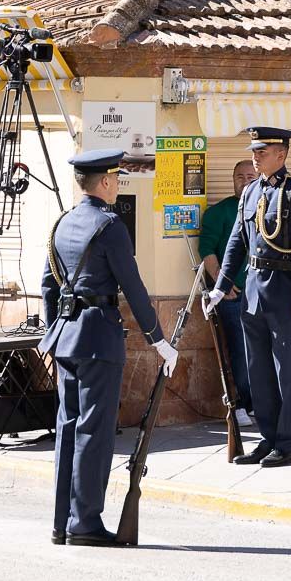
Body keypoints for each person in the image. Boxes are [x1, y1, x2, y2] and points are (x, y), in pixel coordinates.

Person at [40, 149, 177, 547]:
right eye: (116, 178)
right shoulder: (110, 226)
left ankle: (61, 522)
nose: (119, 184)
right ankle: (84, 523)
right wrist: (157, 339)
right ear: (103, 183)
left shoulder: (61, 224)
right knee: (93, 433)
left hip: (66, 340)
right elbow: (132, 287)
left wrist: (56, 331)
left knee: (68, 429)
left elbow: (48, 286)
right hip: (99, 339)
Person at [208, 127, 291, 468]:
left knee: (285, 371)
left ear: (282, 155)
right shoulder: (251, 193)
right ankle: (268, 438)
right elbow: (236, 243)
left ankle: (288, 444)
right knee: (258, 370)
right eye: (255, 150)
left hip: (286, 291)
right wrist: (221, 285)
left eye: (263, 150)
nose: (256, 155)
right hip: (254, 291)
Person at [199, 160, 259, 428]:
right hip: (233, 296)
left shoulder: (267, 208)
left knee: (263, 351)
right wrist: (223, 285)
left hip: (263, 295)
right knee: (239, 351)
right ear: (232, 179)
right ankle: (243, 405)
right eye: (240, 176)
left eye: (250, 176)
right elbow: (207, 251)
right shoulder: (217, 213)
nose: (245, 180)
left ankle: (262, 403)